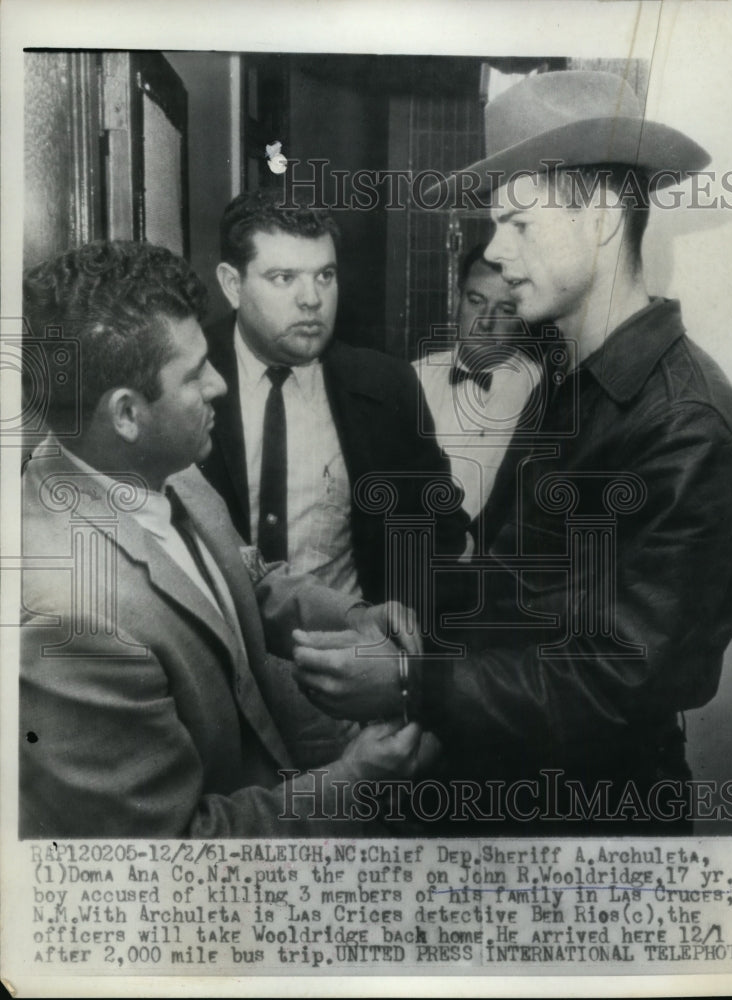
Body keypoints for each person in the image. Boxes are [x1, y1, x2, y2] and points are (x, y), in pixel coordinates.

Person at [292, 70, 732, 831]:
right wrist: (412, 620)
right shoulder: (570, 380)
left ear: (600, 217)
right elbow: (521, 587)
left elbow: (617, 682)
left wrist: (412, 682)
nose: (498, 252)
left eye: (519, 224)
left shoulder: (684, 421)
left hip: (594, 824)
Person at [19, 240, 424, 838]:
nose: (219, 385)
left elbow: (242, 576)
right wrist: (355, 780)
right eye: (194, 375)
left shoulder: (162, 463)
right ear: (126, 414)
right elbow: (174, 848)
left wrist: (355, 616)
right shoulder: (69, 619)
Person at [200, 192, 468, 608]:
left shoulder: (386, 386)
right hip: (223, 642)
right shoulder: (186, 378)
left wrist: (396, 636)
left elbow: (440, 535)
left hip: (350, 637)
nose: (312, 299)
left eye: (325, 275)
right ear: (233, 285)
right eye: (284, 278)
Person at [412, 242, 540, 524]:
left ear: (525, 315)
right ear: (457, 300)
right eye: (476, 301)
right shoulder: (413, 378)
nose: (485, 321)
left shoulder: (541, 392)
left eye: (505, 309)